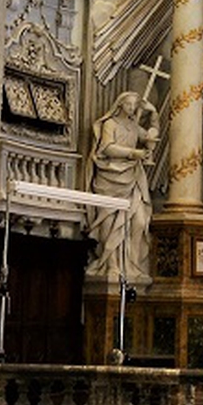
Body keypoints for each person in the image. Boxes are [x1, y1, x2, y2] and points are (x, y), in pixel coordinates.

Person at [88, 90, 159, 280]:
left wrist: (153, 115)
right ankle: (110, 264)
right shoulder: (110, 124)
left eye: (134, 106)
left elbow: (150, 137)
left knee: (139, 221)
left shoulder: (134, 126)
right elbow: (107, 147)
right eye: (128, 104)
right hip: (111, 176)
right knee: (110, 221)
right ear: (120, 104)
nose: (131, 108)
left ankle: (132, 265)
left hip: (133, 177)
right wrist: (133, 153)